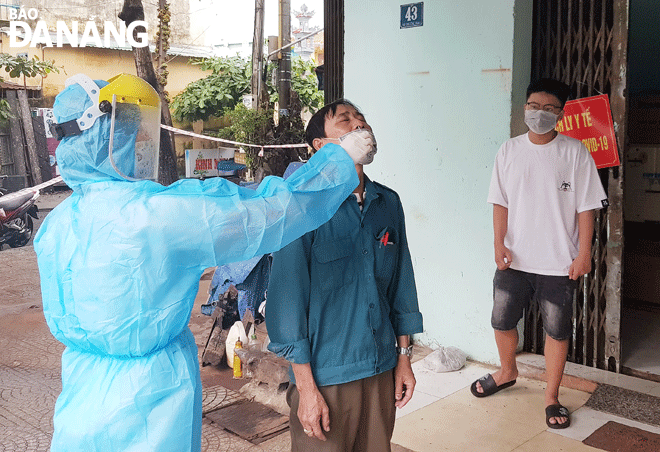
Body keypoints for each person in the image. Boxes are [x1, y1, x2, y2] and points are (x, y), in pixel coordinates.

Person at [33, 74, 377, 452]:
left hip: (81, 395)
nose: (138, 142)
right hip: (149, 398)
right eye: (131, 131)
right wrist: (338, 161)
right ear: (109, 138)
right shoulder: (155, 215)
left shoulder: (57, 224)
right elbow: (267, 213)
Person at [266, 99, 424, 451]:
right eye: (345, 120)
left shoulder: (388, 203)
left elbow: (401, 286)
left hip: (381, 367)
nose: (359, 125)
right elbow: (288, 304)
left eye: (362, 119)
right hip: (327, 376)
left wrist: (403, 358)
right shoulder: (301, 206)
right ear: (321, 146)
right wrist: (306, 390)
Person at [471, 78, 608, 429]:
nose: (539, 114)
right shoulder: (509, 150)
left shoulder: (575, 152)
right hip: (514, 259)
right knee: (501, 321)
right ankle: (507, 371)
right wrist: (498, 243)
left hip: (559, 262)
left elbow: (587, 208)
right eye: (534, 107)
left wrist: (583, 253)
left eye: (549, 109)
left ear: (561, 115)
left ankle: (551, 396)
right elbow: (499, 202)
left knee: (557, 331)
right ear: (524, 108)